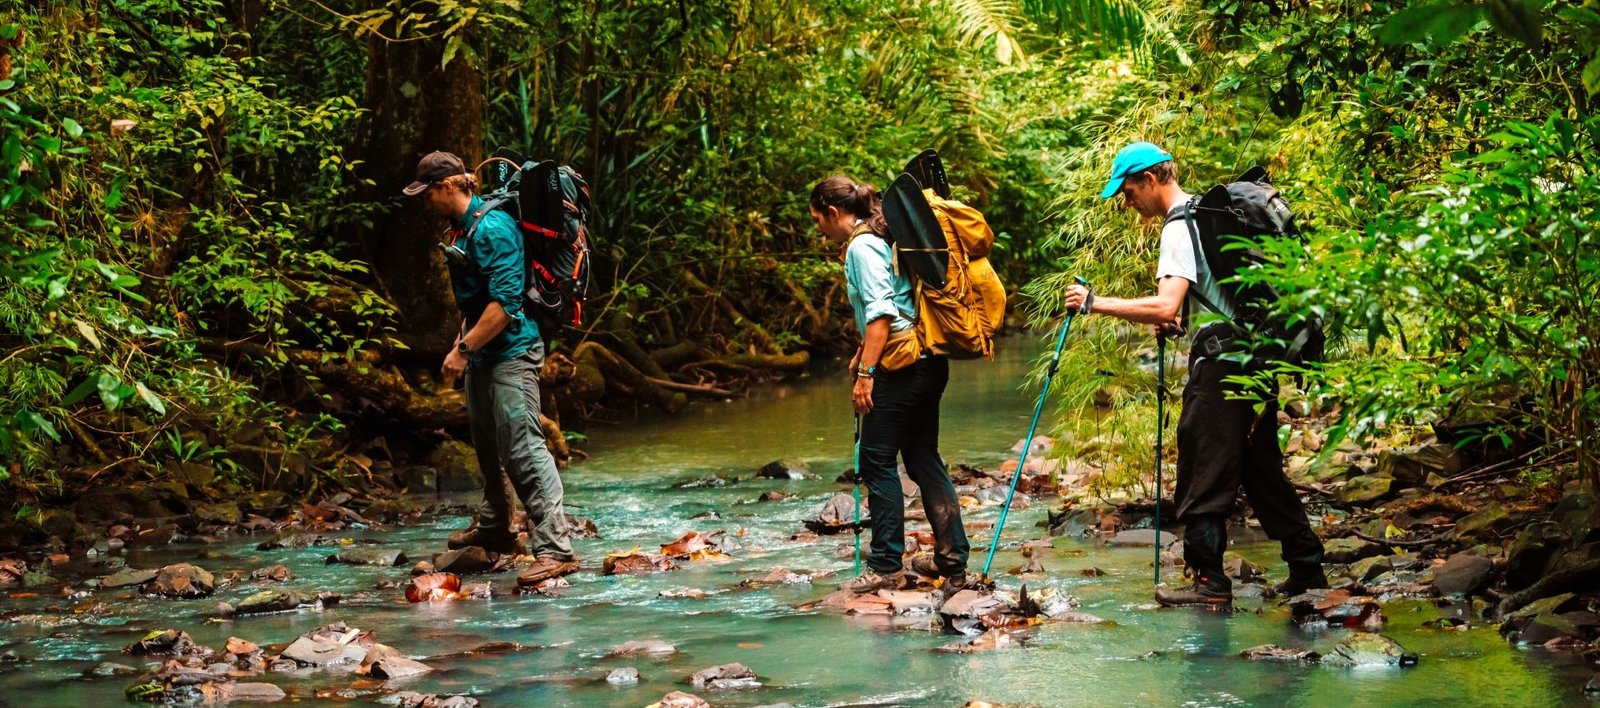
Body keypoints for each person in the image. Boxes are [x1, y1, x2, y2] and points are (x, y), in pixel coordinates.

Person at [1062, 142, 1327, 607]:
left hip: (1222, 370)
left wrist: (1094, 303)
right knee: (1260, 470)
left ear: (1149, 179)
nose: (1128, 203)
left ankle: (1208, 582)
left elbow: (1165, 302)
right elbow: (1205, 300)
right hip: (1254, 359)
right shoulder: (1206, 216)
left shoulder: (1180, 226)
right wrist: (1178, 319)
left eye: (1126, 192)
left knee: (1204, 467)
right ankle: (1307, 569)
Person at [404, 151, 579, 588]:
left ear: (447, 187)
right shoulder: (463, 229)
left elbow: (506, 304)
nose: (426, 201)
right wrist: (463, 343)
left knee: (522, 445)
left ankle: (556, 548)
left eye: (428, 193)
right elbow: (477, 298)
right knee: (485, 440)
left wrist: (462, 350)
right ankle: (496, 526)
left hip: (513, 353)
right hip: (485, 351)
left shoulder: (494, 229)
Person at [808, 175, 971, 595]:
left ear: (832, 212)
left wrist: (866, 375)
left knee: (875, 461)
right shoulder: (885, 234)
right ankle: (954, 564)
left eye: (818, 220)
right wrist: (864, 351)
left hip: (902, 367)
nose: (819, 230)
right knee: (921, 460)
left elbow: (881, 314)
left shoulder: (862, 247)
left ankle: (884, 566)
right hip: (929, 360)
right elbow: (899, 305)